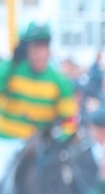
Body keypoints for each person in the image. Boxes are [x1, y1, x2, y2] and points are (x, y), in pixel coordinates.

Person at [0, 23, 78, 168]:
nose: (39, 54)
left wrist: (60, 137)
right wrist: (12, 61)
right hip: (8, 142)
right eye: (35, 48)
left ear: (49, 51)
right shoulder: (13, 69)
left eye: (43, 48)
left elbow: (70, 119)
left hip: (38, 147)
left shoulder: (59, 81)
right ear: (26, 50)